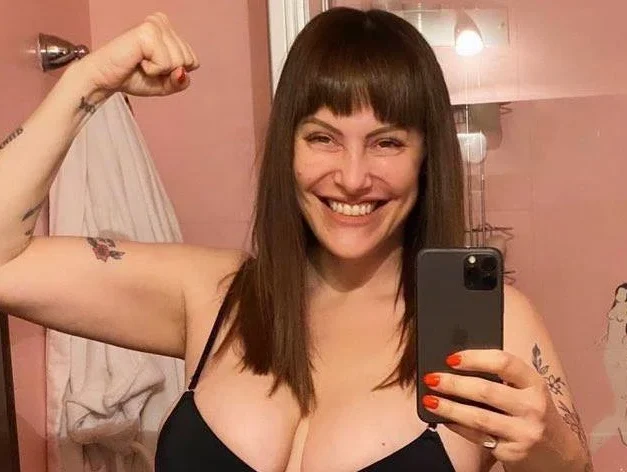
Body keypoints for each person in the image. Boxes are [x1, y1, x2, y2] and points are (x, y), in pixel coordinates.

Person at [0, 7, 592, 471]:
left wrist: (551, 449)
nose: (353, 177)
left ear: (425, 159)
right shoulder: (211, 295)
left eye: (386, 142)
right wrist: (88, 81)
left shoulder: (500, 324)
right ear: (288, 147)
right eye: (322, 138)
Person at [591, 283, 627, 452]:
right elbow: (610, 327)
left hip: (620, 348)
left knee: (622, 389)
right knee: (615, 387)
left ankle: (621, 422)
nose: (619, 296)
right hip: (609, 349)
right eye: (618, 293)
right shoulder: (615, 306)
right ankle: (621, 423)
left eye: (623, 294)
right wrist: (601, 339)